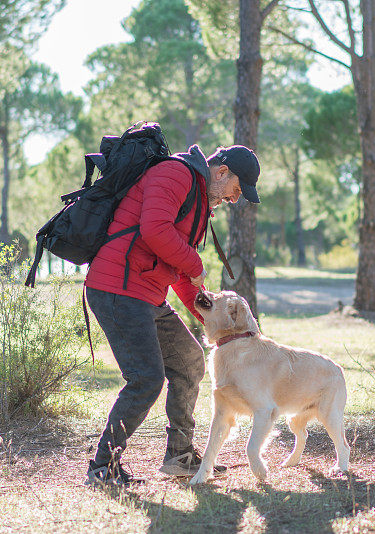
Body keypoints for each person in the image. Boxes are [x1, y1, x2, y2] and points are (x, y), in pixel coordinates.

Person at [83, 143, 261, 486]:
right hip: (117, 287)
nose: (234, 199)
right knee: (146, 379)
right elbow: (154, 229)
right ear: (222, 172)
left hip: (145, 292)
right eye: (237, 189)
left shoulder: (196, 199)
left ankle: (180, 456)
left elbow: (177, 267)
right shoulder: (175, 174)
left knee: (190, 360)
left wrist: (203, 311)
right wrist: (195, 263)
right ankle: (103, 467)